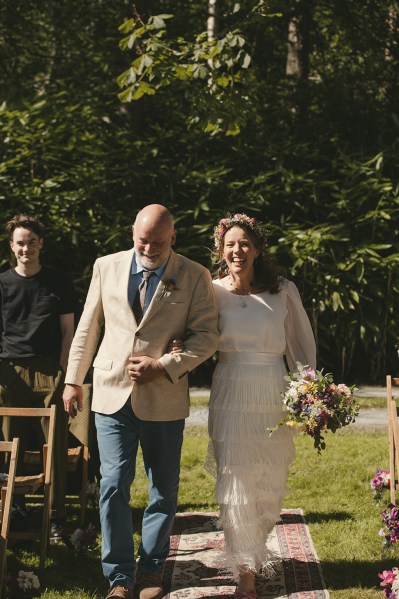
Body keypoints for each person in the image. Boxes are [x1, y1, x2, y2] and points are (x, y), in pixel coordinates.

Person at [62, 204, 219, 599]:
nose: (149, 247)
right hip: (111, 392)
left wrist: (164, 364)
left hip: (163, 396)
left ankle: (150, 570)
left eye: (158, 241)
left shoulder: (195, 275)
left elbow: (206, 336)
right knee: (113, 484)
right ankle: (119, 577)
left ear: (173, 238)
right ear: (132, 233)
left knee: (162, 489)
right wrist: (72, 380)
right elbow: (88, 325)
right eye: (142, 240)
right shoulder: (106, 266)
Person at [171, 212, 316, 599]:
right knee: (235, 480)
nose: (238, 250)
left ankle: (258, 540)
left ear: (257, 248)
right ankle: (245, 572)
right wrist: (177, 348)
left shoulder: (283, 290)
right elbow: (194, 333)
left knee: (269, 480)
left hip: (273, 391)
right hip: (231, 388)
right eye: (231, 243)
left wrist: (310, 392)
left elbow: (301, 346)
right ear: (221, 249)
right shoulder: (211, 290)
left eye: (245, 243)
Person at [0, 213, 77, 541]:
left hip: (49, 370)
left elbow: (68, 332)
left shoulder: (58, 281)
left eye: (32, 241)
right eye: (20, 242)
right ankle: (11, 510)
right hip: (9, 371)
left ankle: (56, 515)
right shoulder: (2, 283)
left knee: (55, 441)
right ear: (11, 246)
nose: (26, 248)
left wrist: (64, 374)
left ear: (40, 243)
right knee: (6, 443)